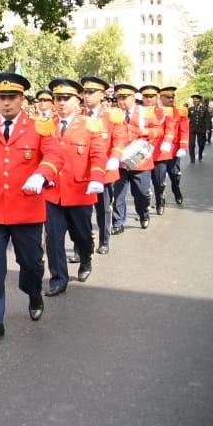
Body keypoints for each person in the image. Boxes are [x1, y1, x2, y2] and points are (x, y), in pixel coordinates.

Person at [0, 72, 63, 345]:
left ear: (22, 99)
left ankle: (33, 293)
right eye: (1, 97)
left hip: (27, 209)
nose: (5, 103)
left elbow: (56, 155)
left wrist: (42, 173)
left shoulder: (40, 127)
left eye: (11, 98)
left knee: (31, 263)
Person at [42, 78, 108, 295]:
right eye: (57, 98)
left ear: (77, 100)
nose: (61, 103)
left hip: (80, 191)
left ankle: (86, 259)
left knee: (82, 234)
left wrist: (97, 178)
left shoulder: (90, 124)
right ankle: (58, 278)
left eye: (66, 98)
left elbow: (98, 154)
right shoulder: (45, 125)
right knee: (53, 237)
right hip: (53, 192)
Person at [82, 76, 126, 255]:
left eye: (92, 92)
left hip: (104, 171)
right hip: (82, 173)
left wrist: (115, 156)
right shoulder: (79, 116)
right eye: (85, 92)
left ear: (101, 95)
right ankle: (81, 247)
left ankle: (104, 240)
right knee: (81, 214)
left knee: (103, 209)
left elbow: (120, 138)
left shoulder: (111, 116)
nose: (87, 96)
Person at [110, 84, 158, 233]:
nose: (121, 101)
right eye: (119, 98)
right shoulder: (113, 114)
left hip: (139, 161)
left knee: (142, 193)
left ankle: (143, 214)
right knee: (118, 195)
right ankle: (118, 223)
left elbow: (158, 130)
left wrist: (147, 131)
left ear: (133, 97)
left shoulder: (145, 112)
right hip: (119, 161)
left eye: (124, 98)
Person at [153, 85, 188, 210]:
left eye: (172, 97)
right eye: (168, 97)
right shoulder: (153, 111)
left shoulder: (180, 111)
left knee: (174, 174)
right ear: (160, 97)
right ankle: (160, 200)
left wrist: (183, 146)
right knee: (159, 178)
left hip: (174, 150)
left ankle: (176, 189)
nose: (171, 99)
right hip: (159, 150)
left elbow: (184, 130)